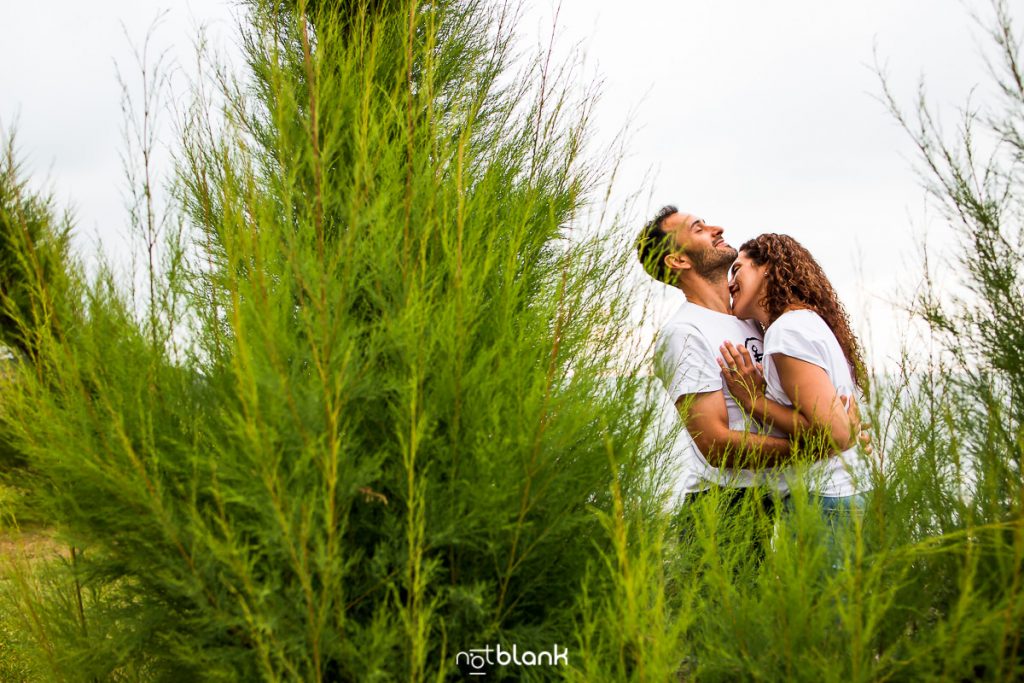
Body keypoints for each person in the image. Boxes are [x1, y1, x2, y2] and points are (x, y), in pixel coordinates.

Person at [634, 208, 860, 523]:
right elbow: (714, 444)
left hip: (776, 499)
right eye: (699, 228)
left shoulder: (751, 320)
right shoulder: (684, 333)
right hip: (724, 509)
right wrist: (819, 447)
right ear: (678, 261)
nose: (717, 228)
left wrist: (841, 425)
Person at [718, 233, 873, 557]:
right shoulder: (804, 323)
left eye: (738, 269)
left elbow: (836, 435)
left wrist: (754, 402)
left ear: (767, 269)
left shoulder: (786, 331)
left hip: (824, 500)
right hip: (840, 494)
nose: (730, 281)